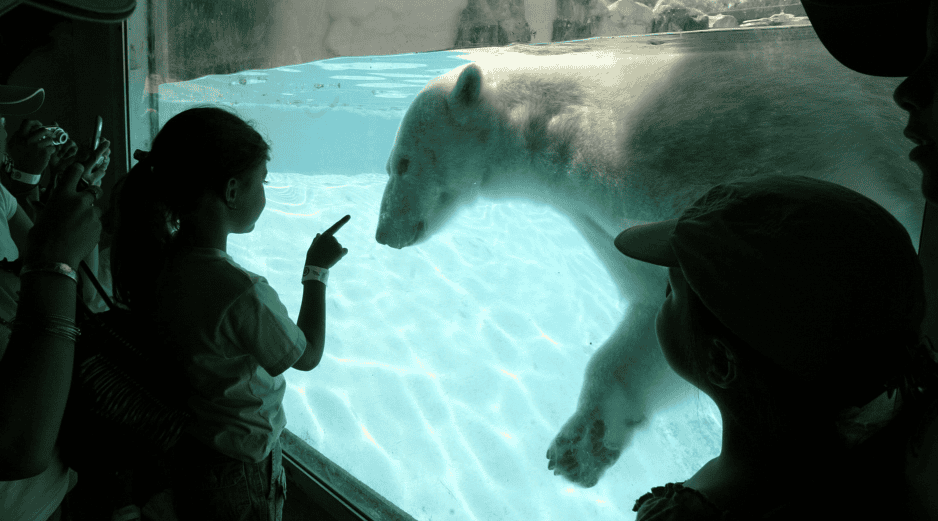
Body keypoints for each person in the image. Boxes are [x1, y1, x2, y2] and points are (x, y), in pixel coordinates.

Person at [109, 105, 346, 521]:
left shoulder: (160, 258)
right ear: (232, 192)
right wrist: (317, 271)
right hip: (241, 463)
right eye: (262, 183)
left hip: (193, 444)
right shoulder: (240, 292)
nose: (265, 194)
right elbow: (305, 356)